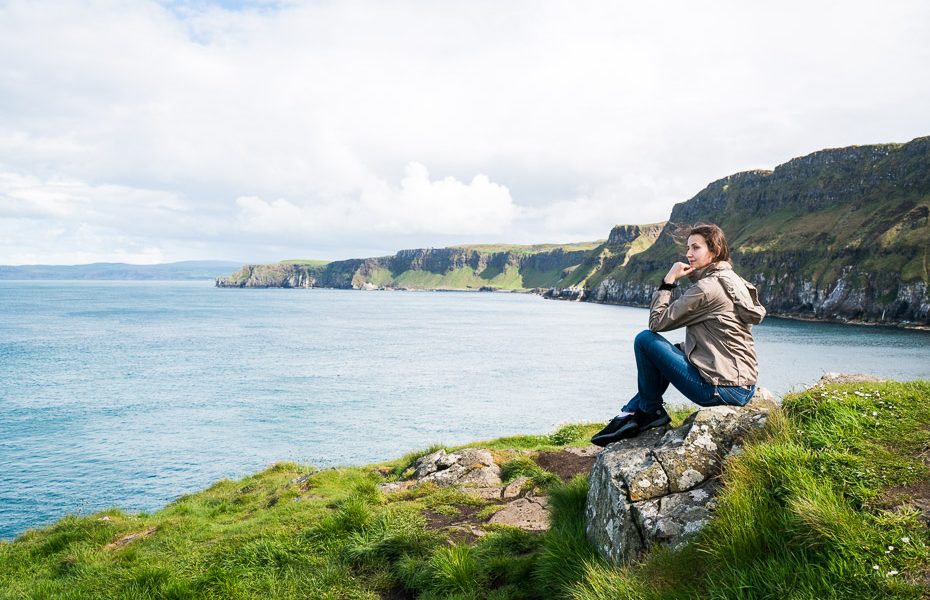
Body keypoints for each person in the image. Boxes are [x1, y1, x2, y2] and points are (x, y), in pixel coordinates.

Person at [591, 223, 766, 446]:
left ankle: (647, 411)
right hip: (744, 386)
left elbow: (656, 323)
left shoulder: (706, 288)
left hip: (720, 390)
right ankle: (635, 410)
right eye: (688, 248)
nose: (689, 254)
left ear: (714, 251)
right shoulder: (734, 280)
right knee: (675, 349)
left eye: (696, 248)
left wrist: (668, 281)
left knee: (645, 340)